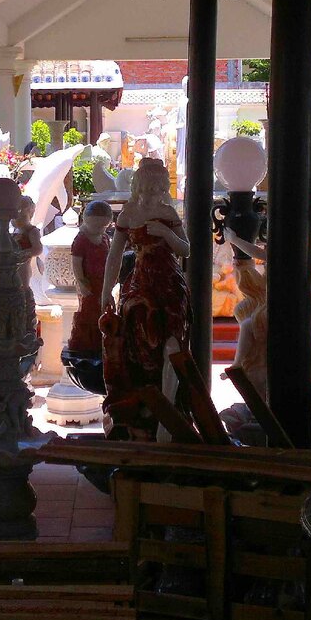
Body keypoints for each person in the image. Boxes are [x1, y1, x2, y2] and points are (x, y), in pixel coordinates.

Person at [99, 158, 190, 440]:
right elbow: (114, 256)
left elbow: (185, 249)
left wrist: (166, 233)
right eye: (147, 189)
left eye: (157, 189)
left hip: (168, 284)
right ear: (138, 187)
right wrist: (106, 291)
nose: (152, 195)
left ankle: (168, 411)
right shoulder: (128, 214)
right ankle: (146, 407)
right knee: (138, 345)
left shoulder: (167, 212)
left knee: (171, 344)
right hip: (140, 284)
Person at [68, 201, 112, 352]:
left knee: (104, 309)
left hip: (103, 282)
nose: (99, 229)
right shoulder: (81, 240)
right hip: (89, 283)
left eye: (103, 226)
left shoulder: (104, 238)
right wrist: (81, 282)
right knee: (89, 312)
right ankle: (88, 345)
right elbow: (76, 263)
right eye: (96, 226)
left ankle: (102, 342)